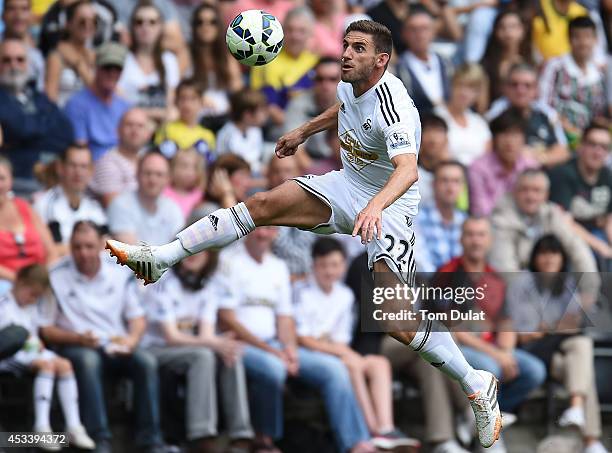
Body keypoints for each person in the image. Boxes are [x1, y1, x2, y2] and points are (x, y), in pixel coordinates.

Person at [107, 20, 504, 449]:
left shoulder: (395, 105)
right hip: (347, 185)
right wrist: (304, 131)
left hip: (390, 205)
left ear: (381, 60)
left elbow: (407, 169)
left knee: (396, 321)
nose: (346, 53)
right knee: (260, 205)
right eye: (345, 44)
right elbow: (344, 108)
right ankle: (160, 258)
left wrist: (375, 206)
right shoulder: (351, 82)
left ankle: (476, 382)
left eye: (358, 48)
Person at [217, 226, 376, 453]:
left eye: (270, 229)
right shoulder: (229, 261)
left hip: (275, 345)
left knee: (335, 369)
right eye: (258, 229)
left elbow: (284, 318)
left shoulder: (278, 266)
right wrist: (275, 352)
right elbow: (226, 319)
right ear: (248, 230)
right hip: (240, 343)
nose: (263, 234)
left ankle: (355, 443)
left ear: (276, 233)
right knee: (274, 368)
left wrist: (289, 349)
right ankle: (265, 440)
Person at [40, 221, 165, 453]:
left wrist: (131, 340)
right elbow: (45, 329)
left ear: (100, 244)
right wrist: (78, 338)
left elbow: (137, 319)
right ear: (70, 246)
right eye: (77, 247)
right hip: (74, 344)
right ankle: (100, 439)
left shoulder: (119, 272)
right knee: (89, 360)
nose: (83, 253)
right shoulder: (55, 275)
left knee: (146, 362)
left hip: (114, 344)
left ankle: (151, 439)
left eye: (88, 246)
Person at [294, 237, 417, 450]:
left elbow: (341, 339)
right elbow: (303, 339)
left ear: (343, 266)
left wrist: (342, 352)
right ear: (313, 265)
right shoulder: (302, 291)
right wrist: (342, 353)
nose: (329, 271)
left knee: (378, 363)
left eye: (334, 265)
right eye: (323, 266)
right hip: (310, 351)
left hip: (334, 349)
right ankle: (373, 430)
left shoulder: (345, 296)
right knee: (352, 364)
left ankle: (386, 428)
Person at [438, 217, 548, 452]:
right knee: (492, 368)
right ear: (461, 239)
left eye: (481, 235)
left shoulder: (496, 278)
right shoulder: (447, 274)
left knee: (535, 371)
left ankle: (485, 417)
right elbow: (453, 329)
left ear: (490, 240)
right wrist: (498, 356)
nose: (476, 240)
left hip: (494, 348)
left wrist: (507, 352)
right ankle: (487, 426)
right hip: (459, 348)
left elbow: (507, 322)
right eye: (470, 234)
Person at [143, 240, 253, 452]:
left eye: (198, 250)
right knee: (204, 355)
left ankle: (240, 435)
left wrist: (221, 345)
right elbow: (171, 336)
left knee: (230, 353)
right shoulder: (162, 281)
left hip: (188, 346)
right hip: (155, 349)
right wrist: (215, 343)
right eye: (187, 249)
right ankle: (202, 435)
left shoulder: (210, 285)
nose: (192, 254)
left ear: (209, 256)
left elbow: (206, 333)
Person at [507, 235, 608, 453]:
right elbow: (522, 334)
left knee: (581, 345)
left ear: (562, 258)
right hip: (534, 353)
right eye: (543, 253)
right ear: (535, 257)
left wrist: (547, 327)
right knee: (583, 366)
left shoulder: (566, 282)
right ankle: (590, 439)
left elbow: (573, 324)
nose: (549, 259)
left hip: (562, 349)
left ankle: (577, 409)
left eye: (554, 253)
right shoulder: (522, 282)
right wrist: (552, 327)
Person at [0, 264, 95, 451]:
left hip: (30, 352)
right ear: (19, 282)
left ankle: (74, 426)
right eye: (31, 293)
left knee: (64, 364)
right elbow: (7, 339)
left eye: (37, 296)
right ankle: (41, 427)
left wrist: (36, 342)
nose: (33, 299)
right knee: (47, 365)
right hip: (9, 356)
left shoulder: (32, 307)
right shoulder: (4, 303)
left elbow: (33, 334)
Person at [489, 169, 599, 294]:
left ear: (546, 195)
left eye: (537, 190)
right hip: (514, 292)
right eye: (524, 190)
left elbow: (577, 248)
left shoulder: (552, 214)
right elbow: (504, 268)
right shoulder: (501, 218)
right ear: (515, 192)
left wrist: (589, 290)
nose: (530, 196)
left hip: (549, 286)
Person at [0, 39, 74, 195]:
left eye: (20, 60)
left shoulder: (39, 97)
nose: (14, 66)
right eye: (7, 60)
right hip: (14, 185)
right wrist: (42, 124)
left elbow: (66, 133)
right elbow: (20, 128)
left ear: (27, 64)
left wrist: (25, 136)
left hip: (50, 185)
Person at [547, 123, 612, 268]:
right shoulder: (563, 174)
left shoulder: (607, 175)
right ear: (580, 146)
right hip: (565, 236)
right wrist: (601, 247)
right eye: (592, 144)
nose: (598, 152)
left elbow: (609, 220)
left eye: (604, 147)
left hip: (596, 232)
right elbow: (564, 222)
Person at [486, 63, 569, 167]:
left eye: (527, 86)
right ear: (505, 87)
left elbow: (563, 151)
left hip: (541, 173)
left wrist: (539, 158)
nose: (520, 91)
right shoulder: (495, 114)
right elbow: (486, 149)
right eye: (514, 85)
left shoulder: (547, 113)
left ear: (536, 89)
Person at [250, 6, 319, 131]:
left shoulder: (316, 63)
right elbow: (268, 105)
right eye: (290, 30)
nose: (295, 36)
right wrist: (297, 130)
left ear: (311, 33)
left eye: (301, 31)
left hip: (312, 127)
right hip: (279, 128)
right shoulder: (265, 59)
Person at [539, 16, 607, 136]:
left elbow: (599, 114)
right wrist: (567, 128)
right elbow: (543, 104)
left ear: (595, 40)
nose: (583, 42)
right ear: (569, 39)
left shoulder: (600, 74)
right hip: (556, 133)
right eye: (577, 37)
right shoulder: (555, 67)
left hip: (588, 140)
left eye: (587, 36)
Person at [64, 42, 131, 161]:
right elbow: (80, 149)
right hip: (93, 169)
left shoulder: (124, 106)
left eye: (117, 69)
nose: (112, 73)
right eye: (107, 68)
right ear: (96, 68)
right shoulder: (77, 104)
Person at [34, 145, 107, 253]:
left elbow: (107, 244)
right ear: (60, 168)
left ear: (91, 170)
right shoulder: (43, 205)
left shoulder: (94, 206)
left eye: (84, 166)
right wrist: (89, 247)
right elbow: (46, 250)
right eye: (73, 165)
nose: (78, 172)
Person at [468, 109, 539, 216]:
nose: (509, 141)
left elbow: (537, 204)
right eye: (504, 134)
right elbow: (480, 211)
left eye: (515, 134)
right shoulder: (478, 168)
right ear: (494, 139)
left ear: (523, 139)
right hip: (492, 226)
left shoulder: (530, 166)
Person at [0, 157, 58, 286]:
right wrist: (21, 282)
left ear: (10, 180)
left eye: (2, 178)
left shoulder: (25, 207)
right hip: (6, 283)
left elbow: (51, 251)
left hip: (40, 280)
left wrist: (45, 278)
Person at [117, 3, 179, 123]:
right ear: (132, 27)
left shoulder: (169, 60)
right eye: (139, 22)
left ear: (161, 26)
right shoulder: (121, 59)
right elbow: (120, 103)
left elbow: (171, 105)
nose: (145, 27)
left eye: (152, 22)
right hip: (130, 125)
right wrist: (156, 113)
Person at [107, 151, 183, 245]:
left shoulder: (173, 208)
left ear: (168, 179)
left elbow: (180, 245)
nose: (153, 180)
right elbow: (132, 253)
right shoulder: (120, 205)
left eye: (159, 174)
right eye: (148, 173)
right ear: (137, 175)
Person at [188, 3, 243, 132]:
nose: (205, 27)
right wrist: (198, 97)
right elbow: (177, 86)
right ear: (194, 27)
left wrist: (233, 105)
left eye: (212, 22)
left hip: (224, 116)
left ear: (218, 26)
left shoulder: (226, 55)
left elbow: (237, 89)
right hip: (195, 115)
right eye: (200, 22)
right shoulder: (186, 53)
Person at [89, 108, 153, 207]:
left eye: (140, 126)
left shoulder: (148, 160)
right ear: (118, 130)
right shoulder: (107, 164)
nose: (134, 130)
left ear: (148, 134)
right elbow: (115, 210)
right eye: (129, 125)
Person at [283, 57, 342, 162]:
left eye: (332, 79)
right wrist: (315, 173)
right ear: (313, 80)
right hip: (310, 162)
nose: (325, 85)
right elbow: (293, 145)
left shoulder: (351, 102)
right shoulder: (299, 103)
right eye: (320, 79)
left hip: (342, 162)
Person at [415, 161, 467, 273]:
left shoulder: (466, 221)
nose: (450, 187)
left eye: (456, 181)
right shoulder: (417, 219)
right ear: (433, 184)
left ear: (462, 187)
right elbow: (420, 265)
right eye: (445, 181)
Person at [397, 6, 452, 113]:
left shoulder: (446, 63)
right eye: (413, 29)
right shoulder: (398, 69)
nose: (419, 34)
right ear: (404, 33)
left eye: (425, 28)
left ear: (433, 32)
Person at [434, 64, 491, 166]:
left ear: (478, 93)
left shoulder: (480, 123)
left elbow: (487, 159)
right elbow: (439, 155)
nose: (464, 92)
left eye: (471, 88)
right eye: (460, 85)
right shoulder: (437, 117)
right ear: (451, 86)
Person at [44, 0, 96, 107]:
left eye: (94, 21)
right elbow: (50, 98)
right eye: (82, 21)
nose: (88, 25)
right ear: (68, 24)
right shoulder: (56, 55)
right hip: (65, 118)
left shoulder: (95, 55)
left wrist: (78, 64)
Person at [153, 78, 216, 159]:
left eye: (193, 98)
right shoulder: (166, 129)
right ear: (176, 101)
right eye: (183, 98)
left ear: (201, 102)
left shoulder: (208, 136)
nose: (187, 104)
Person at [481, 10, 534, 103]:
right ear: (495, 32)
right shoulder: (486, 65)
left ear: (522, 30)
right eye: (502, 27)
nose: (508, 32)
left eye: (513, 27)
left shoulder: (531, 62)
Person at [216, 89, 268, 174]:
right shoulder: (227, 134)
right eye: (261, 111)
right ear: (247, 115)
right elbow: (227, 165)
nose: (265, 114)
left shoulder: (256, 131)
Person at [1, 0, 46, 90]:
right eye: (12, 9)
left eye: (24, 9)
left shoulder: (42, 47)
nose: (18, 16)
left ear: (31, 15)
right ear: (3, 15)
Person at [161, 148, 206, 221]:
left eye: (194, 167)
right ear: (173, 168)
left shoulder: (200, 196)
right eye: (184, 166)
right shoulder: (164, 191)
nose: (189, 172)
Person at [417, 114, 451, 207]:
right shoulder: (408, 170)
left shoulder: (456, 171)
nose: (433, 138)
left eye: (438, 131)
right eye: (428, 130)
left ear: (446, 140)